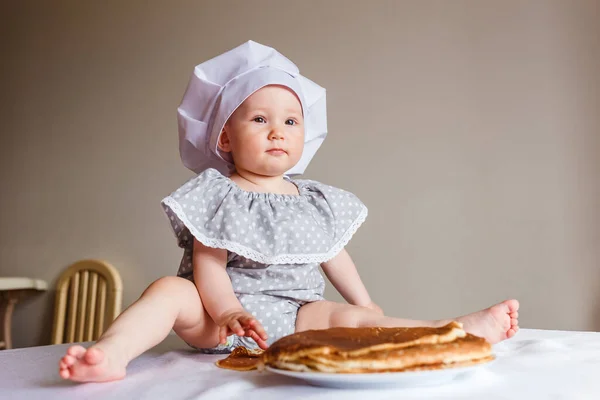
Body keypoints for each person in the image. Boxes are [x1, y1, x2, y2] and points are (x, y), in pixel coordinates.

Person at [59, 41, 519, 382]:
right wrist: (227, 313)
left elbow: (334, 255)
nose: (277, 130)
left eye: (291, 121)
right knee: (168, 290)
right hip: (217, 319)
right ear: (224, 137)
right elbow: (208, 264)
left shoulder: (313, 199)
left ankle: (454, 330)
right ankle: (111, 354)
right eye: (260, 119)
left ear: (304, 136)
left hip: (298, 314)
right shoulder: (217, 193)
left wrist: (364, 303)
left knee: (355, 320)